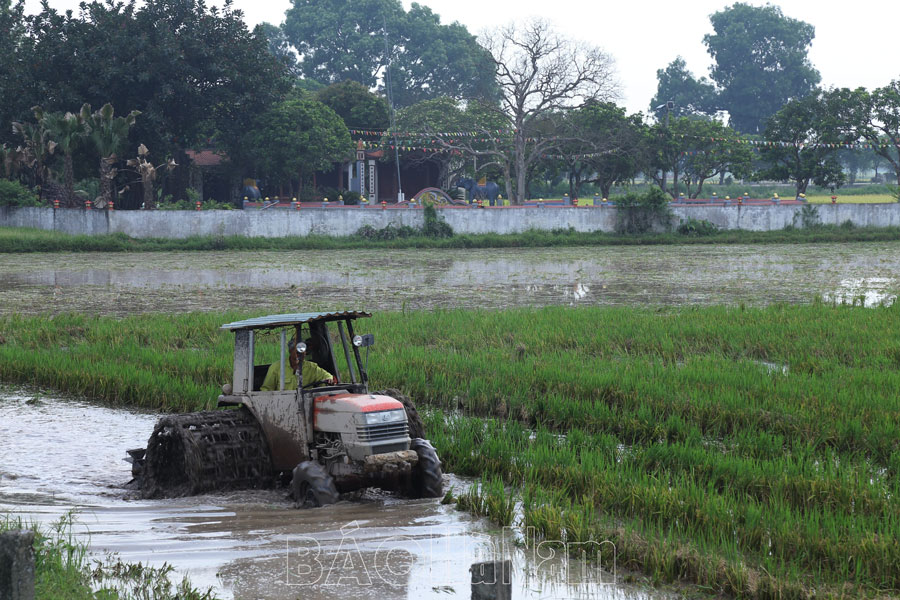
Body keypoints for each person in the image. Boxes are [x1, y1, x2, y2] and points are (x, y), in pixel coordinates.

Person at [260, 337, 335, 391]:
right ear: (290, 351)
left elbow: (327, 377)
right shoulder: (276, 367)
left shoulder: (312, 368)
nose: (298, 355)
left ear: (305, 353)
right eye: (296, 352)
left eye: (301, 353)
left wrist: (329, 380)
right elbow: (266, 389)